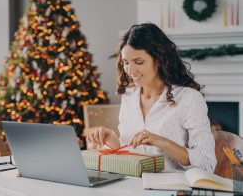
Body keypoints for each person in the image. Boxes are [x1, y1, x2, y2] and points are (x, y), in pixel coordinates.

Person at [86, 23, 217, 172]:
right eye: (126, 63)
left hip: (172, 189)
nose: (130, 70)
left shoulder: (189, 99)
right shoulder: (128, 97)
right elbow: (130, 154)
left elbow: (207, 164)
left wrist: (163, 142)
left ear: (159, 59)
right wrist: (112, 142)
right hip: (132, 187)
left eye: (139, 62)